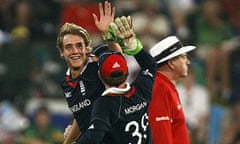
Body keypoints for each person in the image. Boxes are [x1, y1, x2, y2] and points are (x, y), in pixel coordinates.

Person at [76, 16, 157, 144]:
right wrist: (135, 48)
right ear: (127, 72)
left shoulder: (105, 104)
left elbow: (93, 138)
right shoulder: (142, 89)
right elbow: (150, 65)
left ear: (99, 75)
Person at [56, 1, 117, 143]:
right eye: (69, 47)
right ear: (61, 52)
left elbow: (117, 61)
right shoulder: (66, 83)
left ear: (87, 49)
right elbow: (81, 115)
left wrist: (108, 34)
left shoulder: (96, 65)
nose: (75, 51)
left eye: (79, 46)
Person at [148, 35, 196, 144]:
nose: (188, 62)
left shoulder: (166, 86)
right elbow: (160, 132)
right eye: (183, 57)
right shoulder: (160, 88)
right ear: (171, 62)